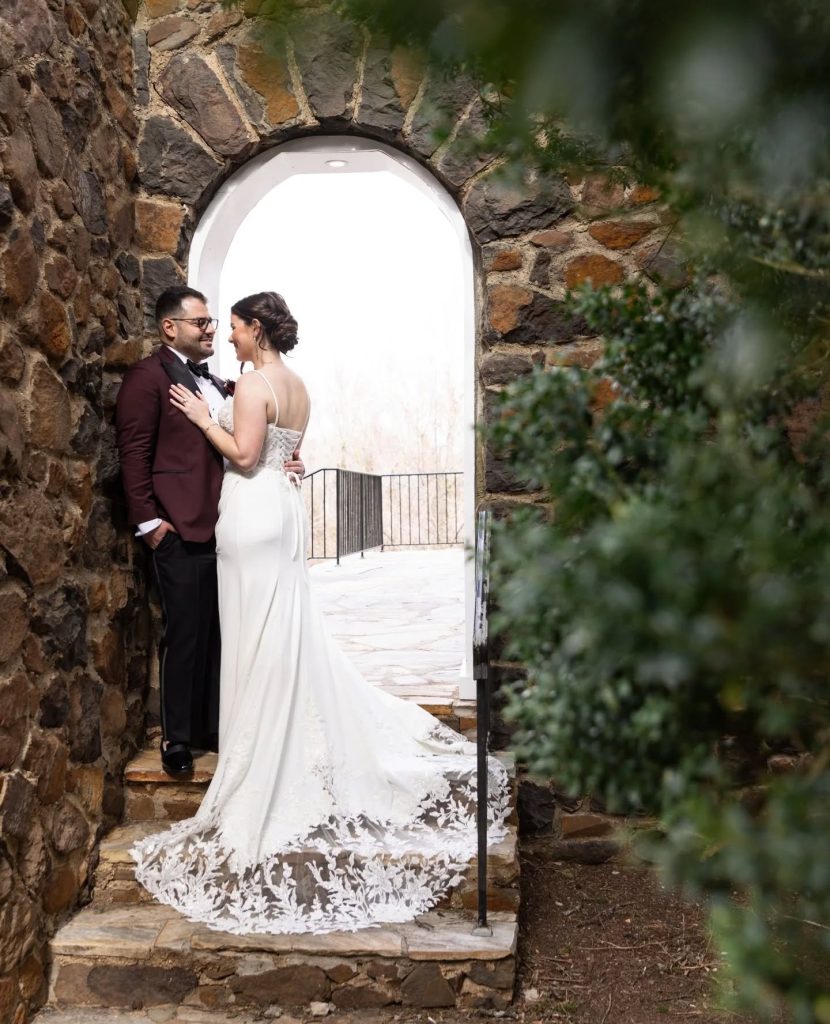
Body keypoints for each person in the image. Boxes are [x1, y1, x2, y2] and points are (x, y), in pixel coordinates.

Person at [130, 291, 509, 935]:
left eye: (235, 326)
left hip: (252, 512)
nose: (228, 334)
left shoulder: (251, 384)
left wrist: (200, 416)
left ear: (255, 329)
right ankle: (266, 721)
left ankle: (263, 739)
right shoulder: (296, 383)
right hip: (281, 507)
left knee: (257, 626)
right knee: (278, 624)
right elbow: (281, 452)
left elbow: (245, 457)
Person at [115, 286, 304, 777]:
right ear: (169, 328)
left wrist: (282, 459)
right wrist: (150, 524)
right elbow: (133, 454)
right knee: (185, 633)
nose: (213, 330)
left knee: (222, 632)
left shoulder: (226, 382)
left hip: (230, 522)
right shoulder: (147, 378)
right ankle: (177, 738)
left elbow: (247, 444)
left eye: (216, 323)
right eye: (201, 323)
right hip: (178, 526)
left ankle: (214, 727)